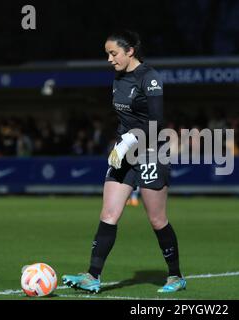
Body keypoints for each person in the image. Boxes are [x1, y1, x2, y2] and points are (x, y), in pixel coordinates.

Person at [62, 30, 186, 293]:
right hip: (126, 151)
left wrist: (131, 140)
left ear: (130, 51)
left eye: (113, 53)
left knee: (157, 219)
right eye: (107, 54)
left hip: (152, 150)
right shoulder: (118, 78)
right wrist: (123, 143)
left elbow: (156, 122)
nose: (109, 59)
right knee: (108, 214)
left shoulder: (149, 78)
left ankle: (175, 276)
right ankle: (92, 276)